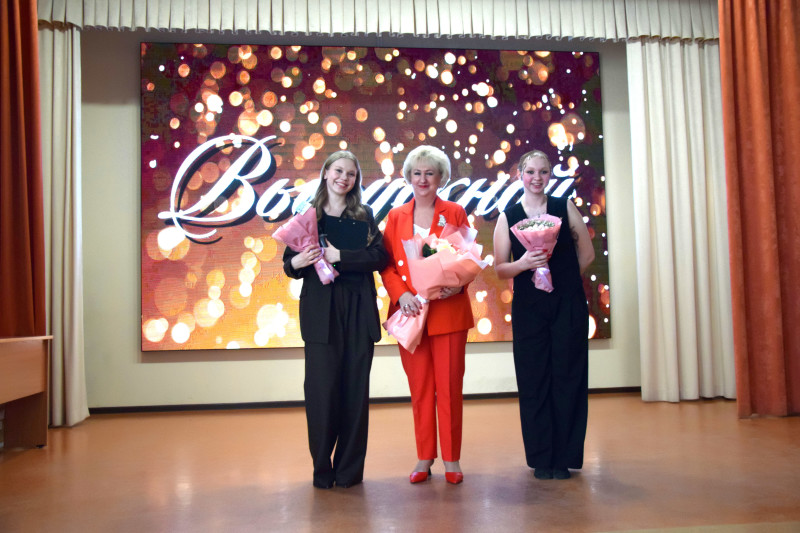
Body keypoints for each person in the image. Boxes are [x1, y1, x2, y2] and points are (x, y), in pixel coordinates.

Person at [282, 150, 388, 489]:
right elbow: (288, 264)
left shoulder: (364, 215)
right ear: (326, 172)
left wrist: (340, 255)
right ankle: (321, 468)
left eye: (351, 174)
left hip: (358, 310)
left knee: (355, 394)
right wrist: (299, 262)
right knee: (321, 393)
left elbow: (379, 257)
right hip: (320, 313)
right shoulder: (306, 213)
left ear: (356, 180)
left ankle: (349, 472)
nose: (344, 178)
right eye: (338, 171)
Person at [492, 149, 595, 480]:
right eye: (530, 171)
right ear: (520, 175)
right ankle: (541, 458)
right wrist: (525, 265)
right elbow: (500, 269)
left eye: (543, 171)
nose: (537, 178)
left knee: (568, 377)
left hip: (567, 304)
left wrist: (561, 280)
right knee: (533, 378)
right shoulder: (508, 216)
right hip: (529, 308)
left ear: (550, 175)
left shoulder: (565, 207)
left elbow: (587, 254)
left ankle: (564, 457)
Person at [380, 145, 474, 485]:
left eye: (429, 173)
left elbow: (469, 258)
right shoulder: (396, 216)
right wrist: (401, 294)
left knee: (449, 388)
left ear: (441, 178)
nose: (423, 179)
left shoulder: (455, 211)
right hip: (411, 313)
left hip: (448, 312)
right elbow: (386, 265)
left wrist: (457, 285)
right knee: (420, 388)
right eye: (417, 173)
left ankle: (451, 459)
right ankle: (424, 456)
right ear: (408, 177)